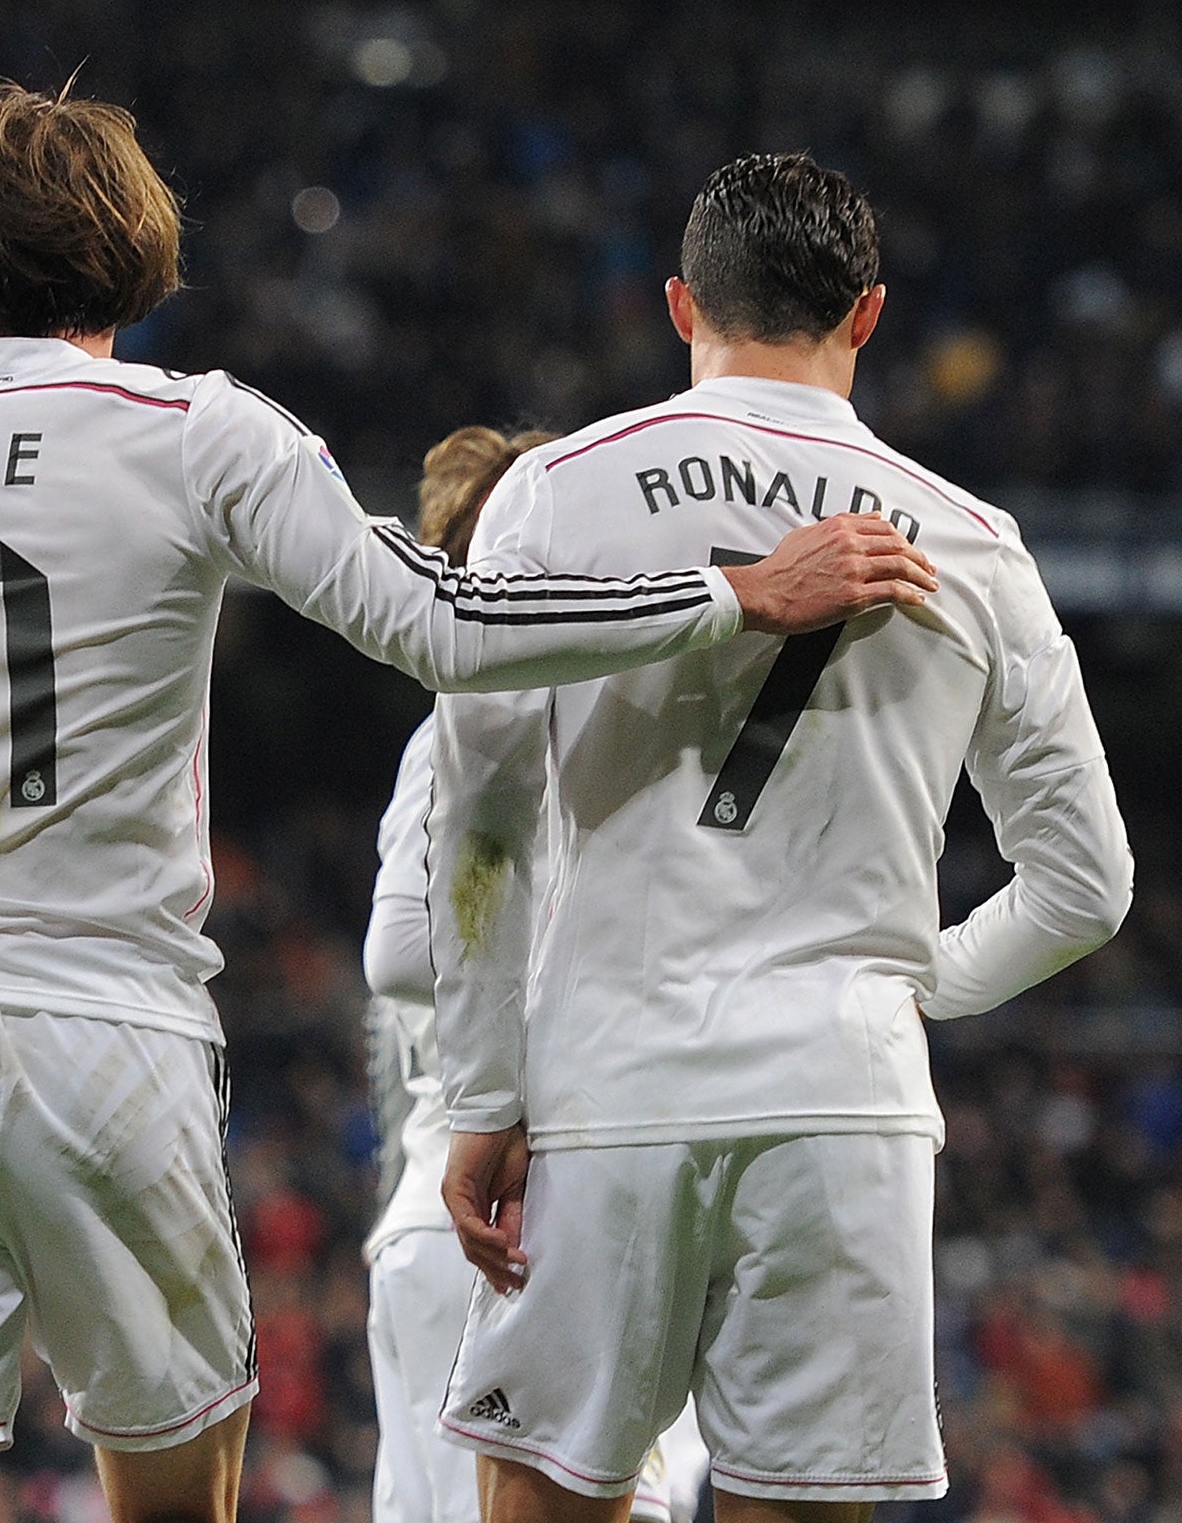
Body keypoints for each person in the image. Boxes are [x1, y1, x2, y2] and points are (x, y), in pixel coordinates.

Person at [0, 84, 934, 1523]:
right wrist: (731, 592)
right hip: (110, 1023)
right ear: (135, 244)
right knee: (181, 1484)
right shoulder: (197, 434)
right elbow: (446, 624)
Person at [427, 154, 1135, 1523]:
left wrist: (483, 1097)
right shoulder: (978, 543)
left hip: (608, 1084)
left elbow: (486, 828)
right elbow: (1085, 881)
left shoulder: (558, 492)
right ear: (868, 317)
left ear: (681, 303)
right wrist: (899, 987)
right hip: (842, 1099)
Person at [363, 429, 702, 1523]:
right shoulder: (472, 736)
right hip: (511, 1227)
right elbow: (402, 951)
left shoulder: (602, 728)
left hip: (492, 1222)